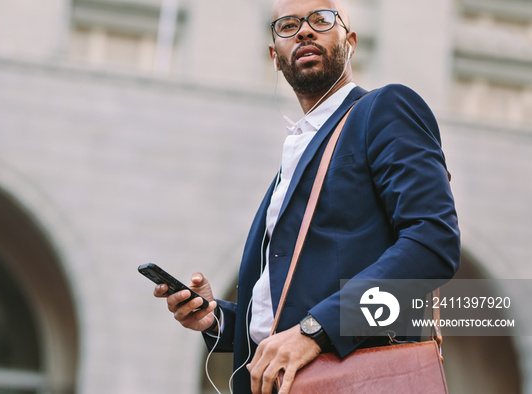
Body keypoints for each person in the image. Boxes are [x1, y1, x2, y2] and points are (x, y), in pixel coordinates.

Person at [153, 0, 460, 393]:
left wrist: (315, 331)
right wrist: (216, 319)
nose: (304, 31)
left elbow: (433, 243)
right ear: (275, 58)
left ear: (350, 41)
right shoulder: (297, 150)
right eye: (288, 25)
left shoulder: (384, 110)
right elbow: (288, 306)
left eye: (321, 19)